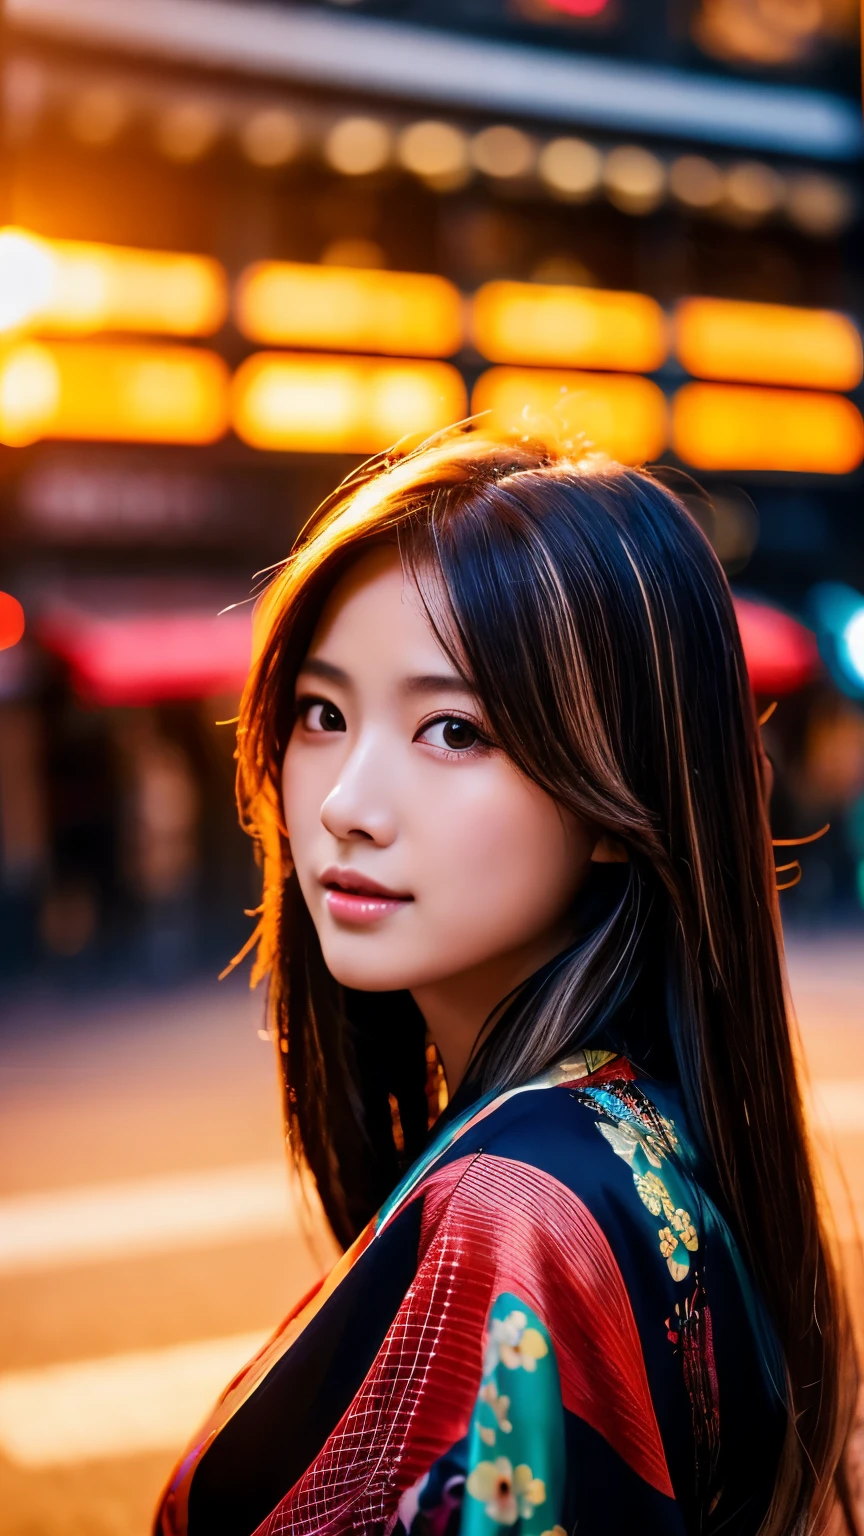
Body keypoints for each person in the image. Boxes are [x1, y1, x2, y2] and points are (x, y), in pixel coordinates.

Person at [155, 430, 857, 1536]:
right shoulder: (639, 1133)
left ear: (621, 803)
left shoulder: (514, 1209)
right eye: (322, 714)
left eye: (452, 729)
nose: (345, 801)